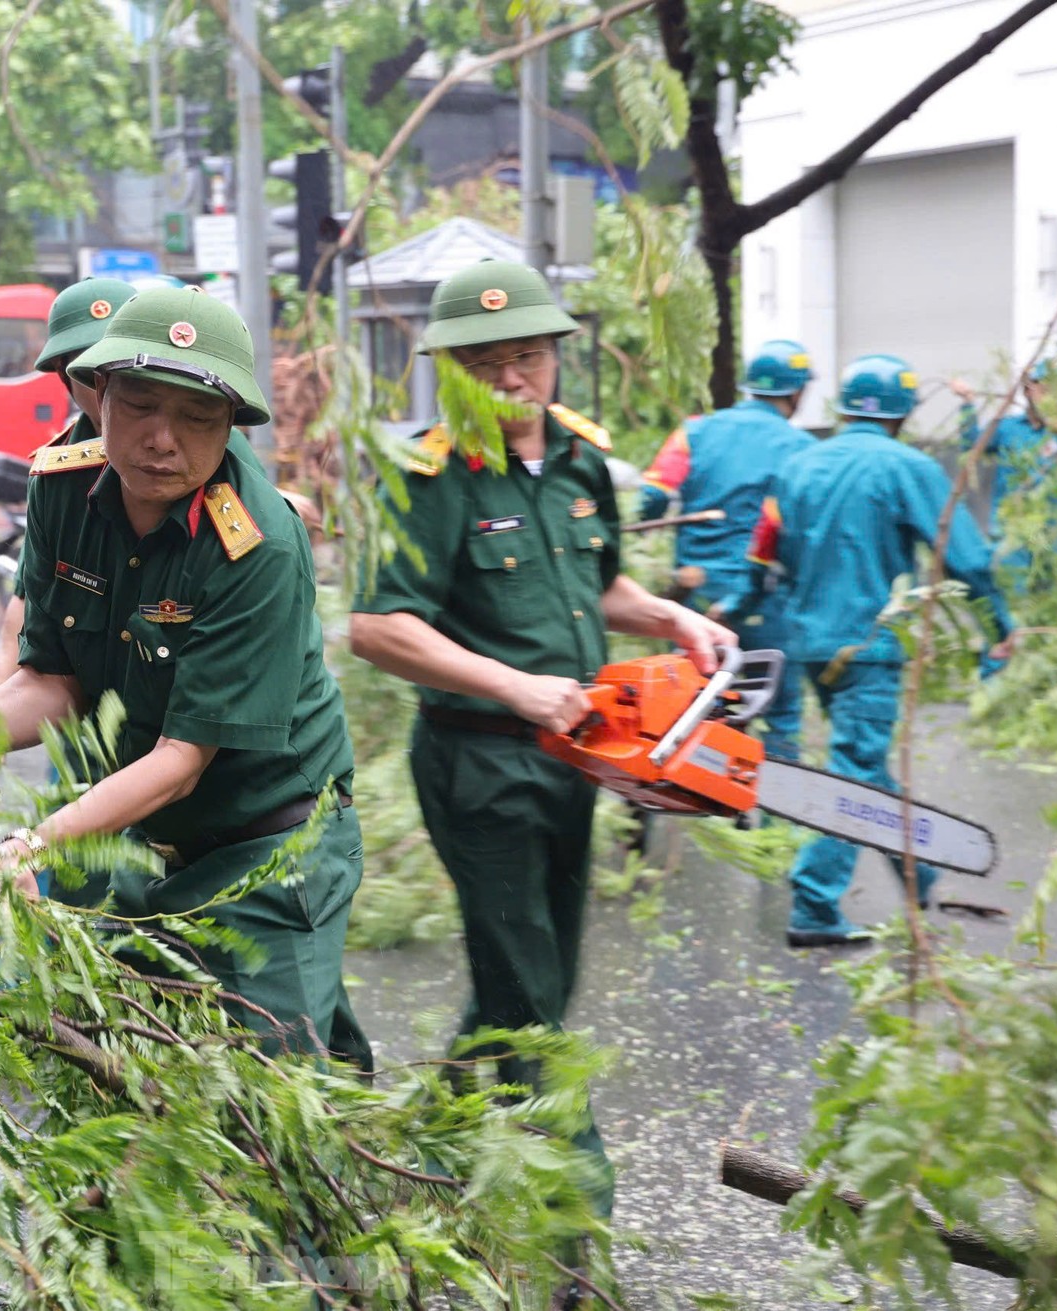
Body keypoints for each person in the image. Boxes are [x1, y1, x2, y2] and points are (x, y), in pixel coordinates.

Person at [0, 287, 372, 1071]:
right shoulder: (61, 486)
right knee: (143, 1068)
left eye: (197, 419)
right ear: (97, 395)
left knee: (264, 1085)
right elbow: (56, 679)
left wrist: (31, 846)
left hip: (270, 849)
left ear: (230, 429)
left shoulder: (257, 546)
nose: (162, 440)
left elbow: (182, 762)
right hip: (147, 842)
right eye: (142, 405)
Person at [347, 260, 734, 1216]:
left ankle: (429, 1131)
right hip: (480, 762)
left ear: (555, 358)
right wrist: (517, 687)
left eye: (526, 356)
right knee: (531, 997)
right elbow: (380, 625)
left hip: (577, 755)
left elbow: (593, 585)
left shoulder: (578, 460)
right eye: (485, 363)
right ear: (449, 372)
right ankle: (575, 1221)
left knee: (539, 971)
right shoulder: (428, 477)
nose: (511, 379)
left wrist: (673, 620)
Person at [744, 354, 1014, 948]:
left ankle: (919, 876)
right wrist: (1000, 626)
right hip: (869, 644)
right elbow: (965, 558)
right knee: (855, 774)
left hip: (810, 643)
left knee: (862, 764)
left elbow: (767, 551)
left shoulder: (797, 465)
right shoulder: (908, 467)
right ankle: (814, 904)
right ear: (902, 414)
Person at [638, 338, 817, 760]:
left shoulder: (694, 432)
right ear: (796, 392)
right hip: (767, 597)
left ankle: (698, 803)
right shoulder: (804, 451)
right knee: (779, 711)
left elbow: (652, 496)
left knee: (691, 705)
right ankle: (775, 815)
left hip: (697, 598)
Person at [0, 276, 138, 698]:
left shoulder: (200, 455)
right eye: (89, 372)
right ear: (65, 379)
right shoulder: (57, 479)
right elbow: (30, 594)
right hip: (81, 714)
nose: (109, 389)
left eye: (122, 367)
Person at [951, 362, 1057, 593]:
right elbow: (972, 445)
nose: (1048, 394)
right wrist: (968, 403)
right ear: (1028, 390)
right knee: (1013, 598)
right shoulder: (1007, 428)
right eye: (1042, 387)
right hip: (1012, 530)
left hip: (1052, 532)